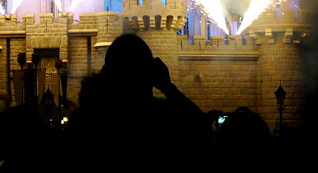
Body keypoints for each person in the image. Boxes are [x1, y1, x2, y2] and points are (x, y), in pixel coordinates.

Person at [66, 34, 212, 171]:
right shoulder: (157, 117)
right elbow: (202, 130)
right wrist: (167, 86)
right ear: (149, 71)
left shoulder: (84, 118)